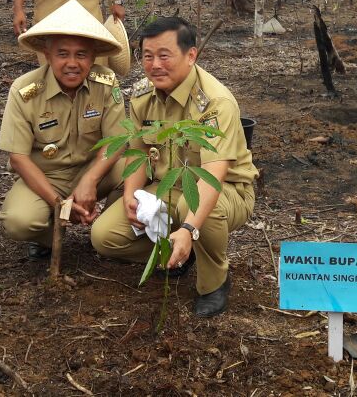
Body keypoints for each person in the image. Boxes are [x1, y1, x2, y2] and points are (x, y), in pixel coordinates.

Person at [91, 17, 258, 317]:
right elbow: (139, 151)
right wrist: (130, 195)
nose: (155, 65)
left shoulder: (214, 102)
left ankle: (214, 282)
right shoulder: (143, 95)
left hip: (225, 190)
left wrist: (189, 229)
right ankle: (180, 251)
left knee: (191, 208)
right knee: (104, 237)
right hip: (166, 186)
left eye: (164, 55)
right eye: (148, 56)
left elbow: (214, 174)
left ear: (191, 55)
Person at [0, 0, 127, 258]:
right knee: (19, 221)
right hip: (46, 177)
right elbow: (19, 157)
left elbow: (117, 141)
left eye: (81, 54)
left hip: (93, 170)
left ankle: (107, 230)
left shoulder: (105, 82)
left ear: (93, 57)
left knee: (136, 169)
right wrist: (60, 204)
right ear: (47, 55)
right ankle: (48, 235)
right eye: (63, 54)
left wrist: (90, 180)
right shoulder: (25, 90)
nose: (72, 63)